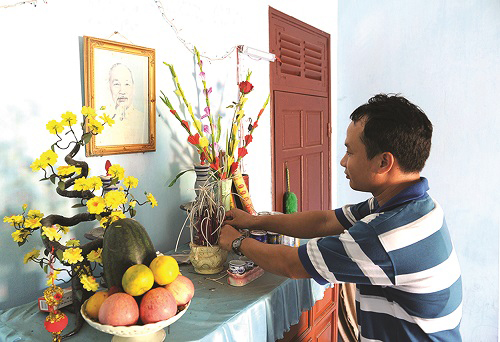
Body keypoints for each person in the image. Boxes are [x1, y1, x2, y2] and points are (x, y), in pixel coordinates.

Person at [220, 94, 462, 341]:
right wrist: (253, 221)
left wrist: (236, 242)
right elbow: (325, 222)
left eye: (350, 152)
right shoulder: (411, 205)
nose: (343, 161)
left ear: (383, 162)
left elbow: (292, 265)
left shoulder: (388, 234)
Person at [96, 63, 149, 146]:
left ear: (133, 88)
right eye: (116, 84)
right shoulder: (101, 122)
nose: (122, 91)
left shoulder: (144, 120)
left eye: (127, 84)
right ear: (109, 87)